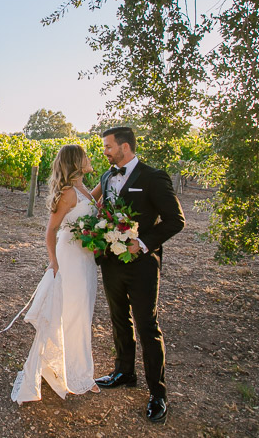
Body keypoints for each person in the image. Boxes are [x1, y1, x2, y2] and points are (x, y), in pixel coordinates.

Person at [89, 126, 185, 424]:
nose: (104, 151)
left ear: (125, 147)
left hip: (142, 265)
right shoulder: (106, 176)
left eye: (108, 146)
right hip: (111, 263)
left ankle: (158, 393)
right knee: (119, 319)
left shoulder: (153, 177)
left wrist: (142, 243)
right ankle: (124, 372)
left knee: (147, 326)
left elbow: (175, 220)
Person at [9, 144, 100, 404]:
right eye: (84, 156)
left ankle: (72, 368)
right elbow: (50, 230)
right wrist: (54, 263)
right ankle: (78, 375)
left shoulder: (83, 189)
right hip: (69, 259)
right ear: (76, 162)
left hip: (85, 259)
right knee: (71, 314)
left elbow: (90, 204)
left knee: (83, 313)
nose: (89, 158)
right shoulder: (68, 193)